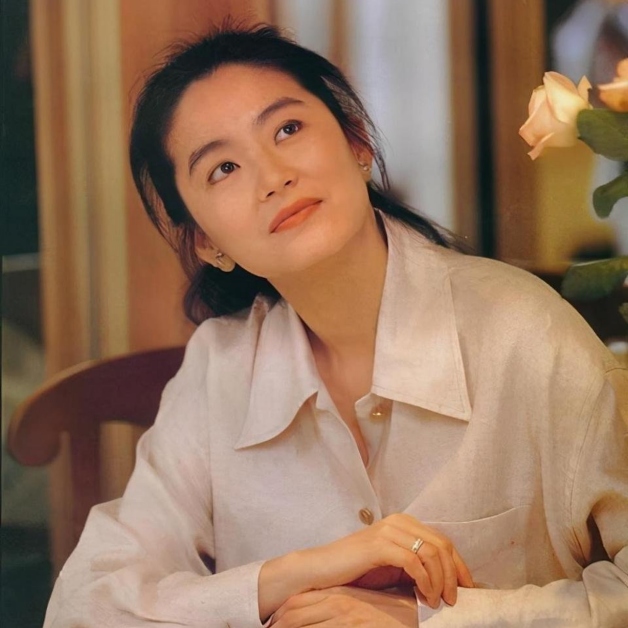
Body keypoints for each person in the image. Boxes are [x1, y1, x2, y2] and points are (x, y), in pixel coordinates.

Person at [43, 22, 628, 627]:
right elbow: (83, 607)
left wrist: (423, 621)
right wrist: (302, 571)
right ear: (206, 243)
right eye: (223, 168)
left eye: (287, 129)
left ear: (357, 143)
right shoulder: (218, 368)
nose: (273, 176)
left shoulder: (525, 336)